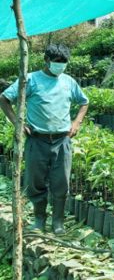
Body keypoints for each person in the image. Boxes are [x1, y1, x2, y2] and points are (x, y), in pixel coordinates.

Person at [0, 44, 89, 235]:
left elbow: (84, 102)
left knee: (61, 183)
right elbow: (4, 98)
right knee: (35, 182)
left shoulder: (68, 82)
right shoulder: (30, 80)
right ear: (46, 61)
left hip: (62, 141)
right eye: (57, 62)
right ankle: (39, 219)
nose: (61, 66)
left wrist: (76, 123)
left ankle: (58, 222)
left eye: (64, 62)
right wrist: (17, 123)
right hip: (37, 140)